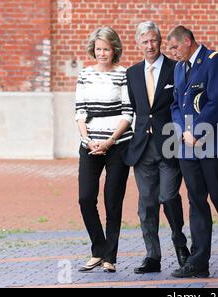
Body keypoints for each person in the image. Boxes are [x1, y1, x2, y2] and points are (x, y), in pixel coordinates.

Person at [167, 25, 218, 278]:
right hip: (188, 145)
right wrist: (182, 131)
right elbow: (176, 104)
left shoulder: (214, 61)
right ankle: (198, 262)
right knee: (196, 200)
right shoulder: (179, 68)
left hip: (214, 141)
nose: (172, 53)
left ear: (188, 41)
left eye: (174, 47)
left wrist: (197, 131)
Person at [124, 21, 190, 274]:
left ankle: (180, 243)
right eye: (145, 42)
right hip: (142, 147)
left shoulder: (177, 69)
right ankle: (152, 256)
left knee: (168, 197)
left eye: (153, 40)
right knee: (147, 203)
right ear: (137, 44)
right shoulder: (132, 73)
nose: (150, 45)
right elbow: (133, 109)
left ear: (160, 41)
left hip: (170, 144)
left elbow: (183, 104)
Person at [75, 26, 133, 273]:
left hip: (118, 145)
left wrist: (109, 142)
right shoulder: (85, 75)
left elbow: (128, 113)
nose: (102, 53)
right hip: (89, 145)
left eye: (106, 49)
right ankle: (98, 249)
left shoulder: (123, 75)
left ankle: (110, 257)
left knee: (112, 202)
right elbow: (80, 112)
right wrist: (88, 141)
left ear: (114, 50)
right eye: (98, 49)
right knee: (86, 198)